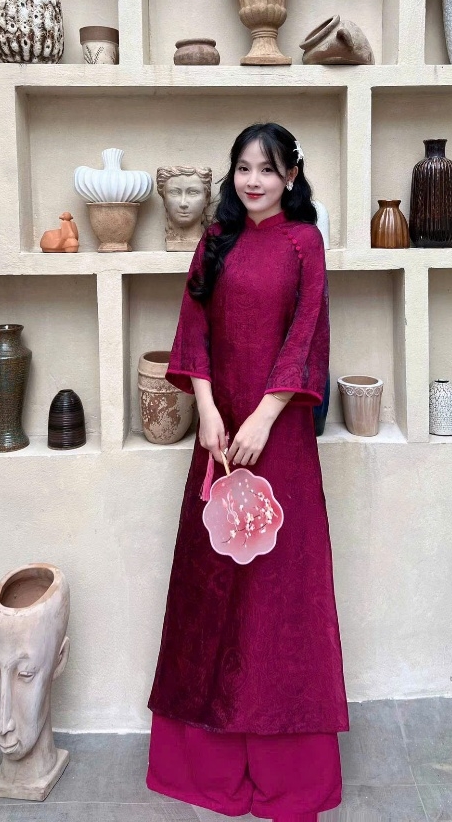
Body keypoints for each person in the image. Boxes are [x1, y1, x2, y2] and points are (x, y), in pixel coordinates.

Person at [146, 122, 349, 821]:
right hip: (218, 437)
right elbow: (193, 331)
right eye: (242, 167)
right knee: (212, 591)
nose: (253, 180)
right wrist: (207, 412)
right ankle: (206, 766)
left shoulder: (305, 243)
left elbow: (305, 334)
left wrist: (264, 416)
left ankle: (288, 774)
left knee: (279, 595)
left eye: (267, 168)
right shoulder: (215, 240)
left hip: (279, 438)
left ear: (292, 175)